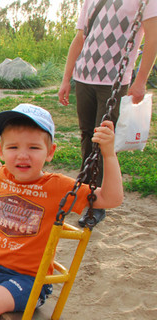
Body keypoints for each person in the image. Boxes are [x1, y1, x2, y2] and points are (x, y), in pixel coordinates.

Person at [0, 104, 124, 320]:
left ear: (50, 152)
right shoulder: (3, 176)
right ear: (2, 151)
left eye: (33, 148)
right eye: (13, 148)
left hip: (30, 280)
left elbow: (110, 198)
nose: (22, 156)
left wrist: (109, 154)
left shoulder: (58, 187)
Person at [57, 0, 156, 224]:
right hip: (83, 77)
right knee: (86, 135)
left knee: (102, 141)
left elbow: (153, 37)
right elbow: (79, 38)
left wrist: (140, 81)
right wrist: (66, 78)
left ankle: (95, 203)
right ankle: (83, 191)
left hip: (115, 81)